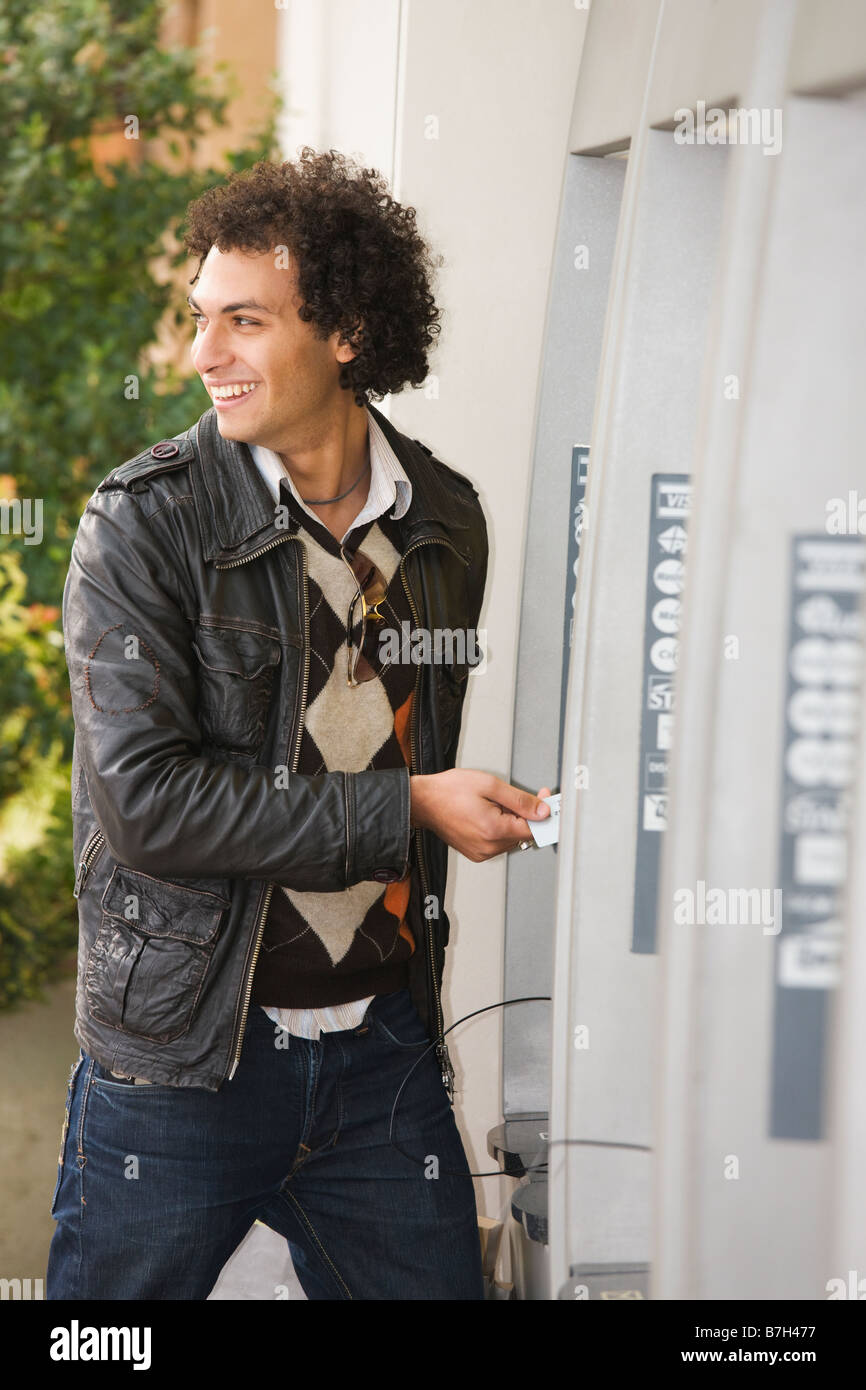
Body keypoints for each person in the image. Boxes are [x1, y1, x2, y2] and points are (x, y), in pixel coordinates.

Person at [46, 148, 550, 1301]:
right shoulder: (144, 526)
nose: (201, 355)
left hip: (380, 1055)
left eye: (243, 321)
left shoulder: (445, 522)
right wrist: (408, 806)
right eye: (198, 319)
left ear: (346, 331)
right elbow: (145, 803)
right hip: (181, 1060)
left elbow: (408, 744)